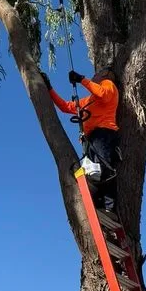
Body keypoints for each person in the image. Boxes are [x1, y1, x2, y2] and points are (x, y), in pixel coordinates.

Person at [40, 68, 120, 211]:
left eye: (97, 73)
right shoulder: (89, 101)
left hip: (104, 133)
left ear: (106, 75)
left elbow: (103, 94)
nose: (94, 75)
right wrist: (49, 88)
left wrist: (81, 79)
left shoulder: (108, 84)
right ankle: (99, 205)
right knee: (93, 172)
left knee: (104, 169)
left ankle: (110, 207)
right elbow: (65, 107)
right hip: (91, 138)